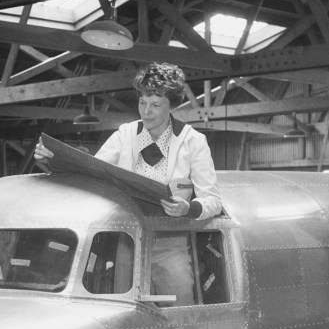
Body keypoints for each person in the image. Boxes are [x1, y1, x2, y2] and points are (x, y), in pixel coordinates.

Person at [34, 62, 222, 220]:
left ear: (172, 106)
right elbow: (92, 174)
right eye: (142, 102)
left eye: (155, 105)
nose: (146, 112)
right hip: (127, 237)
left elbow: (213, 201)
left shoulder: (194, 141)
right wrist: (52, 159)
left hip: (173, 240)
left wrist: (189, 209)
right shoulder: (125, 134)